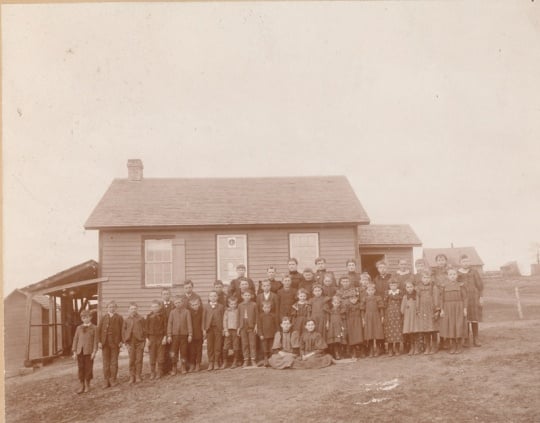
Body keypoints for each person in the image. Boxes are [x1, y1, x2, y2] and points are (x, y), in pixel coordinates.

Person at [458, 254, 484, 347]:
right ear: (460, 263)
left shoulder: (474, 272)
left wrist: (481, 297)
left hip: (474, 298)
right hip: (463, 299)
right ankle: (466, 339)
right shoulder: (458, 273)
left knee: (474, 318)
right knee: (465, 318)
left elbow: (480, 285)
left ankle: (476, 338)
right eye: (464, 261)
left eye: (467, 261)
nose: (466, 263)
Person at [440, 268, 468, 354]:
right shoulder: (444, 286)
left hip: (458, 307)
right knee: (450, 325)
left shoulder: (461, 285)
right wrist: (442, 310)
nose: (452, 276)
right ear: (447, 276)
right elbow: (441, 299)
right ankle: (452, 345)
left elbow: (465, 298)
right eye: (450, 274)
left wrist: (465, 308)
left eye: (454, 274)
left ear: (457, 275)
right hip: (448, 308)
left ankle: (459, 345)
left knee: (458, 325)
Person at [97, 300, 123, 388]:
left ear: (116, 308)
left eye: (113, 307)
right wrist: (99, 342)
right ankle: (106, 380)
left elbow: (122, 330)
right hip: (105, 343)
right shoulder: (103, 317)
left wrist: (121, 341)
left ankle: (113, 379)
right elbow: (99, 330)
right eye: (110, 307)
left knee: (114, 361)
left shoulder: (119, 318)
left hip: (115, 343)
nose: (111, 308)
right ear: (107, 308)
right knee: (105, 362)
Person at [72, 310, 98, 394]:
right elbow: (75, 339)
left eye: (87, 317)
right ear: (81, 319)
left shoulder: (94, 328)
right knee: (81, 368)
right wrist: (75, 352)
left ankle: (87, 384)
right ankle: (81, 385)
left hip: (89, 351)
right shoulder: (79, 328)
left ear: (90, 317)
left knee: (88, 368)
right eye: (83, 318)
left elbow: (95, 341)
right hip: (80, 351)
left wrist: (94, 352)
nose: (85, 319)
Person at [167, 296, 193, 375]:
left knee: (183, 352)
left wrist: (190, 334)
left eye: (179, 302)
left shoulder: (186, 312)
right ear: (174, 304)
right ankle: (174, 367)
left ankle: (183, 367)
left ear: (182, 303)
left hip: (184, 336)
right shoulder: (172, 312)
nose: (177, 304)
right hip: (174, 336)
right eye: (176, 303)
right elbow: (170, 324)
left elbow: (189, 324)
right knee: (173, 352)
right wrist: (169, 335)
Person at [416, 270, 440, 354]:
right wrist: (418, 309)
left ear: (430, 278)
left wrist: (436, 310)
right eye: (424, 278)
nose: (426, 279)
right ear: (421, 279)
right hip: (423, 310)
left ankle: (434, 347)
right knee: (425, 329)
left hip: (431, 310)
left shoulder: (433, 287)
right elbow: (418, 298)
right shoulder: (419, 287)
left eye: (427, 278)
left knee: (432, 329)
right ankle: (427, 347)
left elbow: (436, 298)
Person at [122, 302, 146, 384]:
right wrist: (126, 342)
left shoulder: (141, 318)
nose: (133, 310)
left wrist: (143, 341)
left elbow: (144, 330)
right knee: (132, 360)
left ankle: (138, 375)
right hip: (130, 342)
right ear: (128, 310)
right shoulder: (126, 320)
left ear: (137, 309)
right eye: (132, 309)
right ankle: (132, 376)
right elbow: (123, 331)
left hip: (139, 341)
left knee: (139, 359)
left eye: (135, 309)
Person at [145, 300, 167, 379]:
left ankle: (159, 372)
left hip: (160, 337)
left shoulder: (163, 316)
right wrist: (147, 339)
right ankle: (152, 372)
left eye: (156, 306)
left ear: (160, 307)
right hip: (151, 338)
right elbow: (146, 329)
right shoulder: (148, 316)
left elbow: (165, 327)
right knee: (152, 355)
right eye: (153, 307)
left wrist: (165, 337)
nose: (155, 308)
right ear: (151, 308)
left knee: (160, 355)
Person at [203, 291, 225, 371]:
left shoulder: (221, 307)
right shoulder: (206, 307)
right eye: (211, 296)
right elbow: (204, 318)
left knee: (218, 345)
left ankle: (216, 362)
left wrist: (223, 329)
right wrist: (204, 329)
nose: (213, 298)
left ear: (217, 297)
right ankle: (211, 362)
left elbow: (223, 318)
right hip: (209, 329)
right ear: (209, 298)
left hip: (218, 328)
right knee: (210, 346)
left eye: (215, 296)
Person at [361, 285, 385, 357]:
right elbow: (362, 309)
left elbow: (381, 308)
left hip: (376, 316)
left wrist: (382, 316)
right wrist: (363, 318)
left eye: (372, 290)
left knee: (377, 333)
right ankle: (371, 350)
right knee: (370, 333)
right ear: (367, 291)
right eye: (369, 290)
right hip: (368, 317)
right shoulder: (364, 298)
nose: (370, 292)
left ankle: (377, 349)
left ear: (374, 291)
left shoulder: (378, 298)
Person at [237, 290, 258, 368]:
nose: (247, 297)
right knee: (244, 343)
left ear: (251, 296)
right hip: (243, 326)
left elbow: (257, 316)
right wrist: (238, 327)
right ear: (242, 296)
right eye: (245, 295)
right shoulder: (240, 305)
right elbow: (238, 317)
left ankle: (253, 359)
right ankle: (246, 360)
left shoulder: (254, 304)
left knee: (252, 343)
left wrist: (256, 325)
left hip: (251, 326)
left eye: (248, 295)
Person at [384, 279, 403, 356]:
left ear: (397, 285)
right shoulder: (387, 293)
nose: (393, 287)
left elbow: (402, 302)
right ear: (389, 286)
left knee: (398, 330)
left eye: (394, 285)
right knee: (390, 331)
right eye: (391, 285)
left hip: (398, 313)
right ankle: (390, 349)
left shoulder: (400, 292)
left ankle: (397, 348)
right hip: (389, 314)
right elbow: (384, 303)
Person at [325, 295, 347, 360]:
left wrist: (343, 326)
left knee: (340, 339)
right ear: (332, 303)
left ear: (340, 303)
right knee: (334, 340)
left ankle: (341, 353)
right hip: (333, 326)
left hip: (339, 326)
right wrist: (327, 323)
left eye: (338, 303)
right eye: (335, 303)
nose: (336, 304)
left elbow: (343, 318)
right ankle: (336, 353)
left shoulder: (341, 310)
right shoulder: (330, 310)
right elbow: (328, 318)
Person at [258, 302, 279, 367]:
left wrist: (277, 333)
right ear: (262, 308)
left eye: (268, 308)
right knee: (264, 347)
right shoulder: (261, 316)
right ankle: (265, 358)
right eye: (265, 308)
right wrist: (260, 334)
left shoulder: (273, 315)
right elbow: (259, 326)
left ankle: (271, 360)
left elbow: (276, 325)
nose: (267, 309)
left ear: (270, 308)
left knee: (271, 347)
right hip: (264, 335)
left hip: (272, 334)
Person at [223, 296, 241, 369]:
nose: (233, 305)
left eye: (234, 304)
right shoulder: (227, 311)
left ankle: (235, 361)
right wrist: (225, 330)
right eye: (231, 304)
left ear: (236, 304)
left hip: (236, 331)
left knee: (236, 345)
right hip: (228, 330)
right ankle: (225, 362)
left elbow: (240, 320)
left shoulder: (238, 311)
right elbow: (225, 321)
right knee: (226, 346)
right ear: (228, 304)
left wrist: (239, 329)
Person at [401, 282, 419, 355]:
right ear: (406, 288)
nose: (409, 288)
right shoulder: (405, 297)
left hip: (415, 316)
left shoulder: (416, 296)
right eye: (408, 287)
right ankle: (412, 347)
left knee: (416, 331)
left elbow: (418, 305)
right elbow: (402, 309)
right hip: (408, 316)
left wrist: (417, 311)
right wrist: (406, 309)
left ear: (414, 287)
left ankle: (417, 347)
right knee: (410, 332)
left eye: (411, 287)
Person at [345, 293, 364, 359]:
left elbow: (362, 313)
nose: (353, 300)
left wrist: (363, 320)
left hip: (358, 321)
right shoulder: (348, 306)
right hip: (350, 322)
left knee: (359, 336)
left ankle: (361, 351)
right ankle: (354, 352)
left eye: (355, 298)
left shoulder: (359, 305)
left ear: (357, 298)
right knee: (352, 337)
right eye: (351, 299)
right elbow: (346, 315)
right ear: (349, 299)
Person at [187, 298, 204, 372]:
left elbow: (203, 322)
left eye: (196, 304)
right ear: (191, 306)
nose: (195, 306)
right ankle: (192, 364)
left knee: (199, 350)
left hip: (199, 334)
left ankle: (198, 364)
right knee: (192, 350)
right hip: (192, 335)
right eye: (193, 305)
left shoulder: (202, 312)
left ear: (199, 304)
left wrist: (203, 332)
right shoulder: (189, 313)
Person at [161, 288, 174, 375]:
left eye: (168, 294)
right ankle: (162, 369)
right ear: (162, 296)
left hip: (172, 331)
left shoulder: (173, 305)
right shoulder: (159, 306)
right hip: (162, 331)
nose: (166, 295)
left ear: (170, 295)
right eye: (164, 294)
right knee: (162, 351)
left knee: (171, 350)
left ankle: (170, 368)